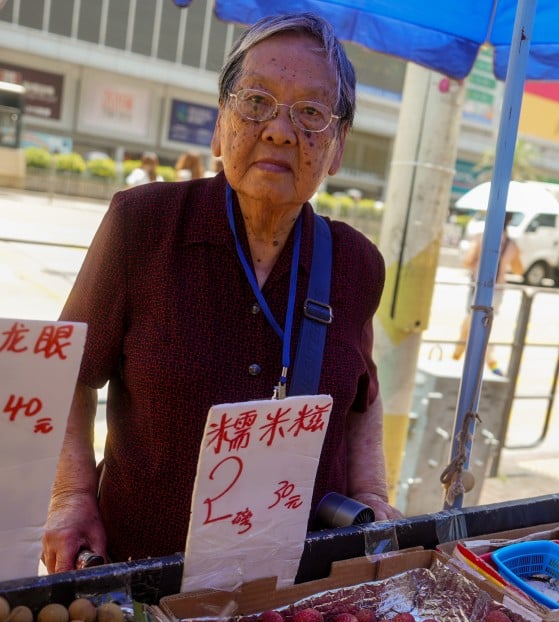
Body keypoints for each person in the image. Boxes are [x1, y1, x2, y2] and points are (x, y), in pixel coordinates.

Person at [42, 12, 401, 573]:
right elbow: (66, 373)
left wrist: (374, 494)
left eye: (310, 113)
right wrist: (72, 496)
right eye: (256, 101)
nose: (279, 131)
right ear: (220, 123)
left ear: (336, 147)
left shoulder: (356, 263)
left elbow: (363, 398)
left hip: (296, 587)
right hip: (145, 575)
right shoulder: (143, 225)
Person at [452, 212, 524, 374]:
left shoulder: (481, 238)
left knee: (474, 322)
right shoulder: (512, 245)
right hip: (497, 290)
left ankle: (483, 360)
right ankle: (466, 356)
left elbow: (467, 261)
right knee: (480, 323)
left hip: (477, 287)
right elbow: (519, 270)